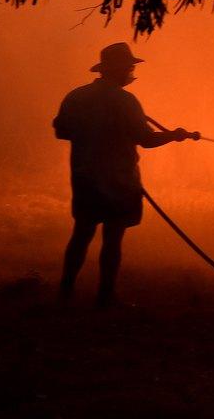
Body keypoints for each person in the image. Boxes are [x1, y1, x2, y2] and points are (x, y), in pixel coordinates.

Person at [53, 42, 198, 308]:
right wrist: (174, 136)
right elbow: (146, 140)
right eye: (129, 66)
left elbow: (61, 131)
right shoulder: (125, 101)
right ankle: (105, 296)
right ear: (118, 69)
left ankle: (66, 290)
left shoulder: (76, 97)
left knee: (82, 233)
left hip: (85, 176)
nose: (131, 71)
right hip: (118, 181)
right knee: (113, 237)